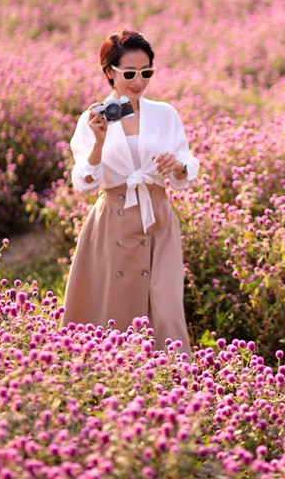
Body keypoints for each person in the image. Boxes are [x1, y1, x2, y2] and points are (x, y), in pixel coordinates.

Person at [62, 30, 199, 353]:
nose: (138, 82)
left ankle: (172, 377)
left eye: (146, 73)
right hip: (113, 219)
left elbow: (187, 166)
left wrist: (177, 165)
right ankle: (115, 375)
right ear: (109, 72)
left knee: (166, 306)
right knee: (114, 307)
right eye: (129, 74)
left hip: (157, 219)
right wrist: (98, 143)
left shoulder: (164, 113)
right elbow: (84, 183)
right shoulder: (91, 119)